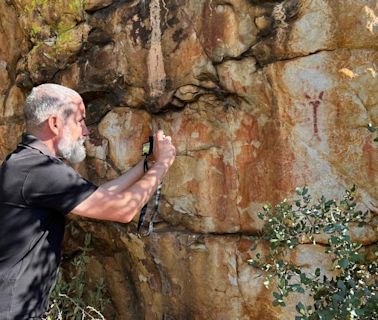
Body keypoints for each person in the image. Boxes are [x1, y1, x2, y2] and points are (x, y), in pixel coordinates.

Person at [0, 83, 176, 319]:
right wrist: (163, 164)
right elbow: (124, 210)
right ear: (54, 123)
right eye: (80, 121)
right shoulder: (39, 170)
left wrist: (146, 166)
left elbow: (100, 196)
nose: (85, 131)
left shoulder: (28, 162)